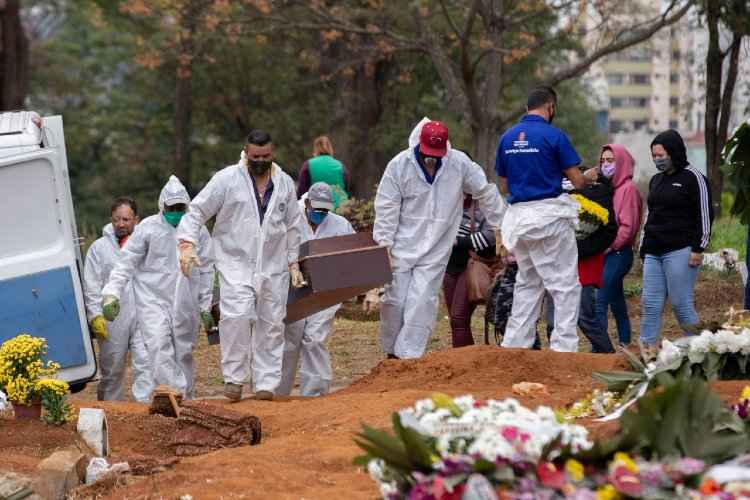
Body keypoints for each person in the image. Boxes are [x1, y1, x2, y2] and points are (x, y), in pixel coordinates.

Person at [176, 130, 305, 402]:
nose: (260, 161)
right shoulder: (226, 180)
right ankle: (234, 379)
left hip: (273, 264)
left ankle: (266, 383)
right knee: (236, 317)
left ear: (273, 154)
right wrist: (187, 243)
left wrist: (293, 262)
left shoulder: (284, 184)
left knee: (271, 323)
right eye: (255, 156)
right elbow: (197, 210)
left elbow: (293, 225)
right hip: (234, 262)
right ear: (246, 152)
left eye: (266, 156)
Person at [373, 118, 506, 359]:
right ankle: (391, 353)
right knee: (395, 302)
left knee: (421, 302)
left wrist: (500, 227)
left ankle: (407, 357)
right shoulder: (399, 166)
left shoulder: (459, 164)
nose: (432, 159)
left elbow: (485, 191)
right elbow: (386, 207)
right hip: (402, 245)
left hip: (436, 247)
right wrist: (385, 247)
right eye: (427, 154)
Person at [495, 85, 591, 352]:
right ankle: (563, 347)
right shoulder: (555, 136)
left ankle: (515, 344)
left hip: (520, 221)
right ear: (551, 107)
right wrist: (590, 177)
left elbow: (504, 185)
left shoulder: (507, 137)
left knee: (528, 282)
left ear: (527, 108)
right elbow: (577, 181)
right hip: (551, 218)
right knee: (564, 286)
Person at [101, 177, 214, 399]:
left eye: (180, 208)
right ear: (162, 206)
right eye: (171, 208)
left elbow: (208, 269)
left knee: (184, 354)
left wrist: (205, 305)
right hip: (152, 300)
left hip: (185, 301)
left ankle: (187, 398)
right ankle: (176, 396)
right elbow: (126, 262)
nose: (175, 212)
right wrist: (111, 294)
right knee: (159, 346)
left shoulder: (197, 230)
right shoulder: (147, 229)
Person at [278, 183, 355, 397]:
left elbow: (354, 255)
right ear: (308, 202)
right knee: (288, 342)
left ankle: (315, 393)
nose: (320, 213)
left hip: (325, 291)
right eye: (316, 208)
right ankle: (277, 393)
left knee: (314, 339)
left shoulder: (340, 225)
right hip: (292, 288)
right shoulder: (289, 218)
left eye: (325, 210)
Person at [639, 129, 713, 349]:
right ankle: (646, 354)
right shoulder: (656, 181)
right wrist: (643, 248)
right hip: (654, 252)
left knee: (681, 305)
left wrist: (699, 248)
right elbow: (649, 215)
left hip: (681, 250)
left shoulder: (694, 178)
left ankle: (702, 351)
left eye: (661, 155)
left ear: (674, 151)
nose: (657, 159)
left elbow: (705, 214)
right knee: (650, 305)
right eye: (654, 156)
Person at [539, 168, 618, 353]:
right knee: (552, 320)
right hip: (556, 266)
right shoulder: (551, 187)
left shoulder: (598, 192)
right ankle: (557, 360)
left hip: (584, 265)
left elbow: (608, 231)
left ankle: (607, 355)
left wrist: (576, 248)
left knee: (585, 317)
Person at [83, 198, 152, 402]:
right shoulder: (99, 248)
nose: (121, 224)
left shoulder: (146, 243)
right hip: (112, 318)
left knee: (145, 364)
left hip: (143, 313)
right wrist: (95, 316)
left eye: (125, 219)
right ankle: (111, 412)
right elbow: (92, 285)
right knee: (112, 371)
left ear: (136, 220)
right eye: (116, 220)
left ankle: (144, 410)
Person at [594, 144, 643, 347]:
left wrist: (609, 245)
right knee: (616, 302)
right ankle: (625, 344)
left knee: (600, 299)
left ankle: (599, 347)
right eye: (603, 161)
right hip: (606, 253)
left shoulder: (628, 189)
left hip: (619, 253)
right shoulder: (607, 189)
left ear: (621, 162)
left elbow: (628, 227)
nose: (606, 164)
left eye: (610, 160)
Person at [443, 195, 496, 348]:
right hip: (448, 266)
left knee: (459, 316)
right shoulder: (445, 203)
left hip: (470, 266)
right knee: (455, 319)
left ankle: (463, 361)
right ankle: (463, 359)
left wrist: (457, 241)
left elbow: (491, 236)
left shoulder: (483, 205)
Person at [296, 135, 350, 209]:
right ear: (330, 149)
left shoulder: (308, 165)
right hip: (341, 210)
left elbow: (301, 192)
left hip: (318, 211)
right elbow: (347, 191)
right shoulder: (341, 166)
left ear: (315, 149)